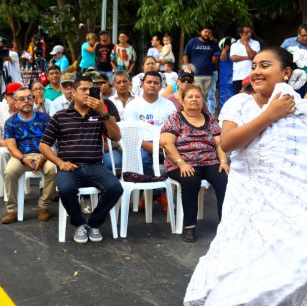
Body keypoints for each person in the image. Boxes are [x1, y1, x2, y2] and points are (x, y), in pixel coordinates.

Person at [184, 47, 307, 306]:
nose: (255, 70)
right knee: (238, 269)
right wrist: (270, 115)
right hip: (244, 199)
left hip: (281, 204)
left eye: (265, 65)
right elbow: (228, 143)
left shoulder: (299, 109)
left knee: (273, 274)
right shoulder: (238, 103)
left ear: (286, 73)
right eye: (253, 65)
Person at [39, 75, 122, 243]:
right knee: (66, 189)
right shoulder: (60, 116)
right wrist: (60, 163)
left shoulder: (99, 115)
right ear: (73, 93)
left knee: (115, 188)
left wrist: (104, 112)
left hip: (94, 166)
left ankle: (94, 223)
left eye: (91, 89)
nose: (87, 93)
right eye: (83, 89)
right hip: (69, 166)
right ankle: (79, 224)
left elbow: (116, 137)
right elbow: (44, 145)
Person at [160, 83, 229, 242]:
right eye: (190, 96)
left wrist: (223, 161)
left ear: (203, 100)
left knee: (224, 179)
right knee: (191, 180)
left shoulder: (209, 118)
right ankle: (189, 226)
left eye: (198, 96)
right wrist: (181, 163)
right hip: (181, 162)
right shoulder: (175, 118)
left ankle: (226, 224)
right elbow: (166, 143)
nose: (194, 99)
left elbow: (219, 142)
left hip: (208, 161)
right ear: (182, 101)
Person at [1, 87, 56, 224]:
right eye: (22, 99)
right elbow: (11, 146)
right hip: (21, 156)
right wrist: (23, 158)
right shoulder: (11, 122)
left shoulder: (45, 118)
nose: (26, 101)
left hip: (43, 154)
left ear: (33, 100)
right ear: (15, 103)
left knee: (53, 169)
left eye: (29, 98)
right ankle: (12, 210)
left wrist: (43, 157)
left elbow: (51, 141)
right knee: (9, 172)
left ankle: (43, 205)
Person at [124, 71, 177, 212]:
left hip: (165, 144)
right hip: (141, 145)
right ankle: (160, 193)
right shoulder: (132, 105)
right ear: (142, 84)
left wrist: (164, 145)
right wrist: (149, 146)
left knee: (179, 158)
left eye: (156, 83)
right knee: (141, 158)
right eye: (149, 82)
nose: (152, 85)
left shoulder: (169, 105)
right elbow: (131, 134)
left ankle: (151, 195)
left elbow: (174, 130)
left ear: (161, 86)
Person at [183, 26, 220, 107]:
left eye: (209, 33)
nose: (207, 34)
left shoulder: (213, 44)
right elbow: (186, 55)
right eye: (205, 31)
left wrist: (215, 58)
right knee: (198, 95)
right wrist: (187, 68)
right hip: (196, 75)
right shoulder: (193, 42)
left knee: (204, 97)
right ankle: (197, 111)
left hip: (208, 75)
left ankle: (202, 112)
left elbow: (216, 56)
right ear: (201, 32)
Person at [230, 25, 260, 93]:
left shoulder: (255, 43)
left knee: (252, 96)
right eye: (246, 32)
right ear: (241, 34)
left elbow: (252, 57)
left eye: (250, 32)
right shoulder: (234, 45)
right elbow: (234, 58)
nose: (249, 34)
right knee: (238, 97)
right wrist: (247, 57)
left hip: (251, 76)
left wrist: (246, 44)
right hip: (238, 76)